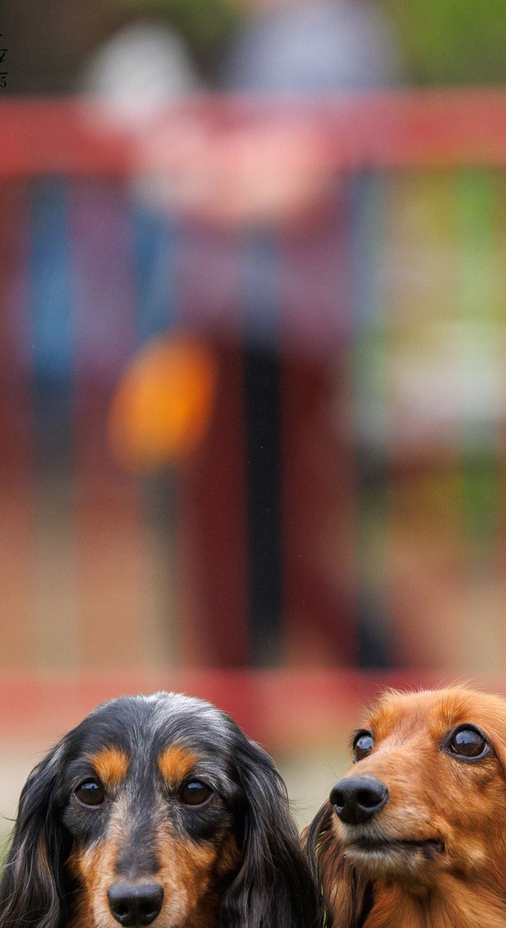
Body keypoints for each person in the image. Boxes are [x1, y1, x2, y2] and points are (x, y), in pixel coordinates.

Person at [146, 0, 398, 669]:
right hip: (263, 316)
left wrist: (186, 169)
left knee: (247, 535)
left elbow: (295, 182)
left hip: (274, 317)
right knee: (260, 537)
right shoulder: (297, 38)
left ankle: (423, 713)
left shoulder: (317, 44)